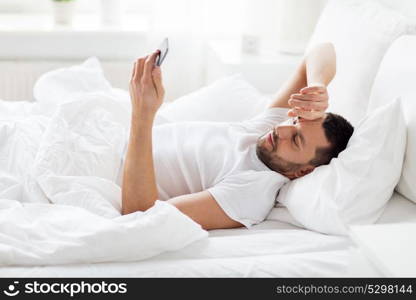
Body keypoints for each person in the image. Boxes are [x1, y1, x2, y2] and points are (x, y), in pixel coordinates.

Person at [121, 43, 354, 230]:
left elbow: (142, 217)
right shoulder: (267, 133)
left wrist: (142, 115)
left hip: (114, 166)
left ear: (303, 171)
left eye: (295, 140)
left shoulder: (252, 190)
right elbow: (323, 49)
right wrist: (317, 87)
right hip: (115, 138)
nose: (281, 130)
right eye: (294, 120)